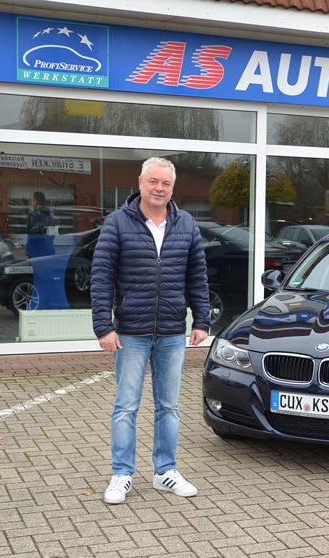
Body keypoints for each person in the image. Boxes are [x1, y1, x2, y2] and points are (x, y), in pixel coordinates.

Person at [91, 157, 210, 505]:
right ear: (140, 183)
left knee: (169, 407)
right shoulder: (117, 223)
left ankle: (165, 472)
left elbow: (197, 277)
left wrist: (201, 320)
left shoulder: (186, 224)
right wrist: (103, 327)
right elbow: (101, 277)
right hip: (131, 332)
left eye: (166, 183)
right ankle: (122, 474)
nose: (159, 188)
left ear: (173, 188)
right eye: (153, 181)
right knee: (126, 407)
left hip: (172, 332)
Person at [25, 191, 56, 258]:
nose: (32, 203)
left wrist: (28, 249)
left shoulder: (32, 215)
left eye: (32, 201)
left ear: (35, 201)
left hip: (36, 252)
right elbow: (53, 235)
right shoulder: (50, 215)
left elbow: (31, 236)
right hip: (49, 251)